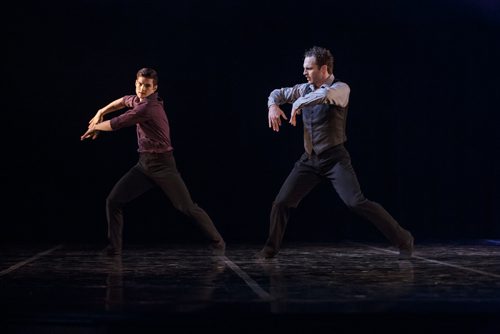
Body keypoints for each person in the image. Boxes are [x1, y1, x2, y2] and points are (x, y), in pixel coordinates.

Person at [256, 46, 414, 259]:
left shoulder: (341, 88)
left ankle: (403, 238)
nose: (304, 72)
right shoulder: (304, 89)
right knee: (281, 202)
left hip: (334, 158)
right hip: (309, 160)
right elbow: (278, 93)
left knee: (356, 202)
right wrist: (272, 105)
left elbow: (325, 95)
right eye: (304, 68)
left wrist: (298, 103)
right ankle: (269, 250)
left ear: (324, 69)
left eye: (308, 68)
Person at [81, 67, 225, 256]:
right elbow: (122, 101)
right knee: (113, 201)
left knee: (186, 207)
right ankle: (114, 248)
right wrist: (101, 110)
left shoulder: (148, 107)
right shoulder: (137, 99)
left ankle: (218, 241)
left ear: (154, 89)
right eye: (139, 84)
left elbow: (119, 122)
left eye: (147, 86)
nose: (142, 89)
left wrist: (96, 126)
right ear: (135, 83)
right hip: (144, 165)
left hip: (163, 165)